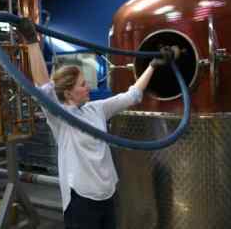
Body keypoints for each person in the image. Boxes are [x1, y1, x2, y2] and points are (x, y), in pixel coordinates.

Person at [18, 18, 176, 229]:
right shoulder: (60, 117)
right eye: (83, 85)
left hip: (107, 193)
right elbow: (44, 88)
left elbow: (132, 95)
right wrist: (32, 43)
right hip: (82, 199)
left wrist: (152, 66)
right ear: (68, 93)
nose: (88, 88)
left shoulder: (97, 109)